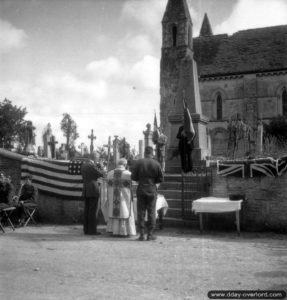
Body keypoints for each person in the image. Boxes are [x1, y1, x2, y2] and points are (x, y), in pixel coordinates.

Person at [131, 146, 164, 241]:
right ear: (152, 153)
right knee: (151, 212)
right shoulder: (156, 163)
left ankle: (141, 234)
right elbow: (161, 178)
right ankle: (150, 234)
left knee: (140, 212)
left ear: (145, 152)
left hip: (141, 188)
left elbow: (133, 177)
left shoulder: (139, 162)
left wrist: (141, 180)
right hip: (152, 189)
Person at [106, 158, 136, 237]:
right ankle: (124, 232)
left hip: (113, 199)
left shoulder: (109, 173)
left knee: (116, 211)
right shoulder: (128, 174)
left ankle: (113, 230)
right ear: (125, 165)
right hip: (123, 199)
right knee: (124, 211)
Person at [81, 160, 104, 235]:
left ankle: (86, 229)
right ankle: (92, 230)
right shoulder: (91, 165)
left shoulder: (84, 165)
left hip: (86, 189)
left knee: (87, 210)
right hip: (93, 189)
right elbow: (101, 174)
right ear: (95, 157)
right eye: (97, 157)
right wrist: (101, 166)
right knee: (93, 211)